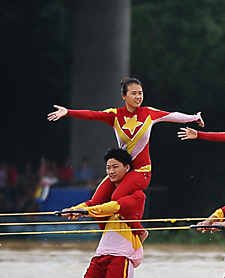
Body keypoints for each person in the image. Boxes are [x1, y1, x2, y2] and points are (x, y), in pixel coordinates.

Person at [48, 77, 204, 206]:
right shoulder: (115, 115)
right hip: (121, 170)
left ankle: (138, 231)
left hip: (141, 171)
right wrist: (68, 112)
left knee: (116, 198)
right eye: (134, 93)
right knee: (96, 202)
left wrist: (194, 118)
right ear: (124, 96)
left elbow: (173, 115)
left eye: (141, 93)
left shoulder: (149, 113)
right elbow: (92, 114)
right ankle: (108, 235)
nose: (138, 97)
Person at [62, 148, 148, 278]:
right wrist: (74, 210)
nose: (110, 171)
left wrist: (84, 211)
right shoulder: (105, 196)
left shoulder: (137, 195)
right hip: (101, 255)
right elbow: (95, 203)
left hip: (122, 257)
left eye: (115, 167)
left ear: (127, 168)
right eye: (108, 167)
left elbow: (114, 207)